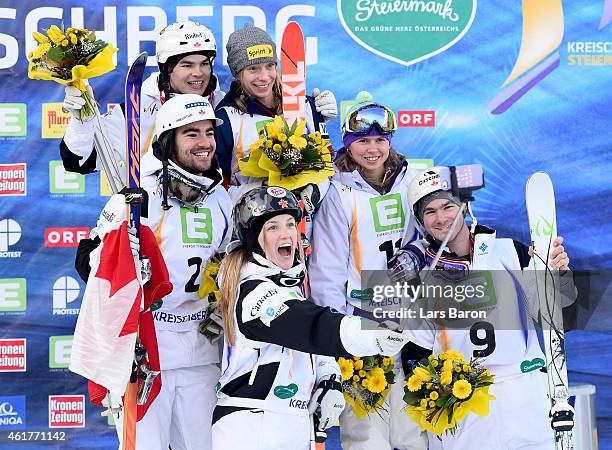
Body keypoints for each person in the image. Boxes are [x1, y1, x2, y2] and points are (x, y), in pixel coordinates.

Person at [74, 94, 232, 450]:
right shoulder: (136, 195)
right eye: (191, 134)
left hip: (201, 352)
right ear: (167, 141)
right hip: (146, 352)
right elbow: (88, 261)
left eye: (208, 132)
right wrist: (118, 259)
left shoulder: (220, 198)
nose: (205, 143)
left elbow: (233, 263)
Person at [211, 186, 410, 450]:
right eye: (272, 227)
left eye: (291, 224)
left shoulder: (287, 284)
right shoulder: (251, 290)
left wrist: (329, 381)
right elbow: (305, 325)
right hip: (252, 424)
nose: (286, 234)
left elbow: (306, 348)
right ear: (253, 239)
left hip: (289, 422)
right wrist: (365, 333)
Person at [394, 166, 577, 450]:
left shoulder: (509, 252)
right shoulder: (422, 280)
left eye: (447, 206)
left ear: (464, 207)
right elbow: (414, 354)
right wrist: (435, 400)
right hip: (466, 409)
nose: (441, 218)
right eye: (430, 212)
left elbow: (556, 314)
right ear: (420, 222)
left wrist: (559, 276)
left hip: (524, 394)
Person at [307, 95, 427, 450]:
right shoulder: (338, 191)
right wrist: (335, 336)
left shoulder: (413, 181)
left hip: (414, 322)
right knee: (366, 436)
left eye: (379, 140)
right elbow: (327, 270)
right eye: (362, 140)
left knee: (414, 431)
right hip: (363, 324)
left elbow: (443, 232)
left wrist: (417, 254)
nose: (372, 149)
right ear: (348, 142)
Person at [60, 20, 224, 179]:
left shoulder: (222, 107)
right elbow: (78, 163)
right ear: (166, 69)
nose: (198, 73)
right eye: (187, 65)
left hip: (213, 204)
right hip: (152, 205)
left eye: (204, 64)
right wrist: (82, 123)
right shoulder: (135, 111)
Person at [214, 23, 337, 194]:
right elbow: (220, 187)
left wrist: (316, 191)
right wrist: (262, 190)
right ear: (237, 73)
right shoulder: (226, 118)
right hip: (254, 214)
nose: (264, 77)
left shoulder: (306, 105)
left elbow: (328, 163)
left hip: (307, 216)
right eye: (253, 69)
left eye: (269, 66)